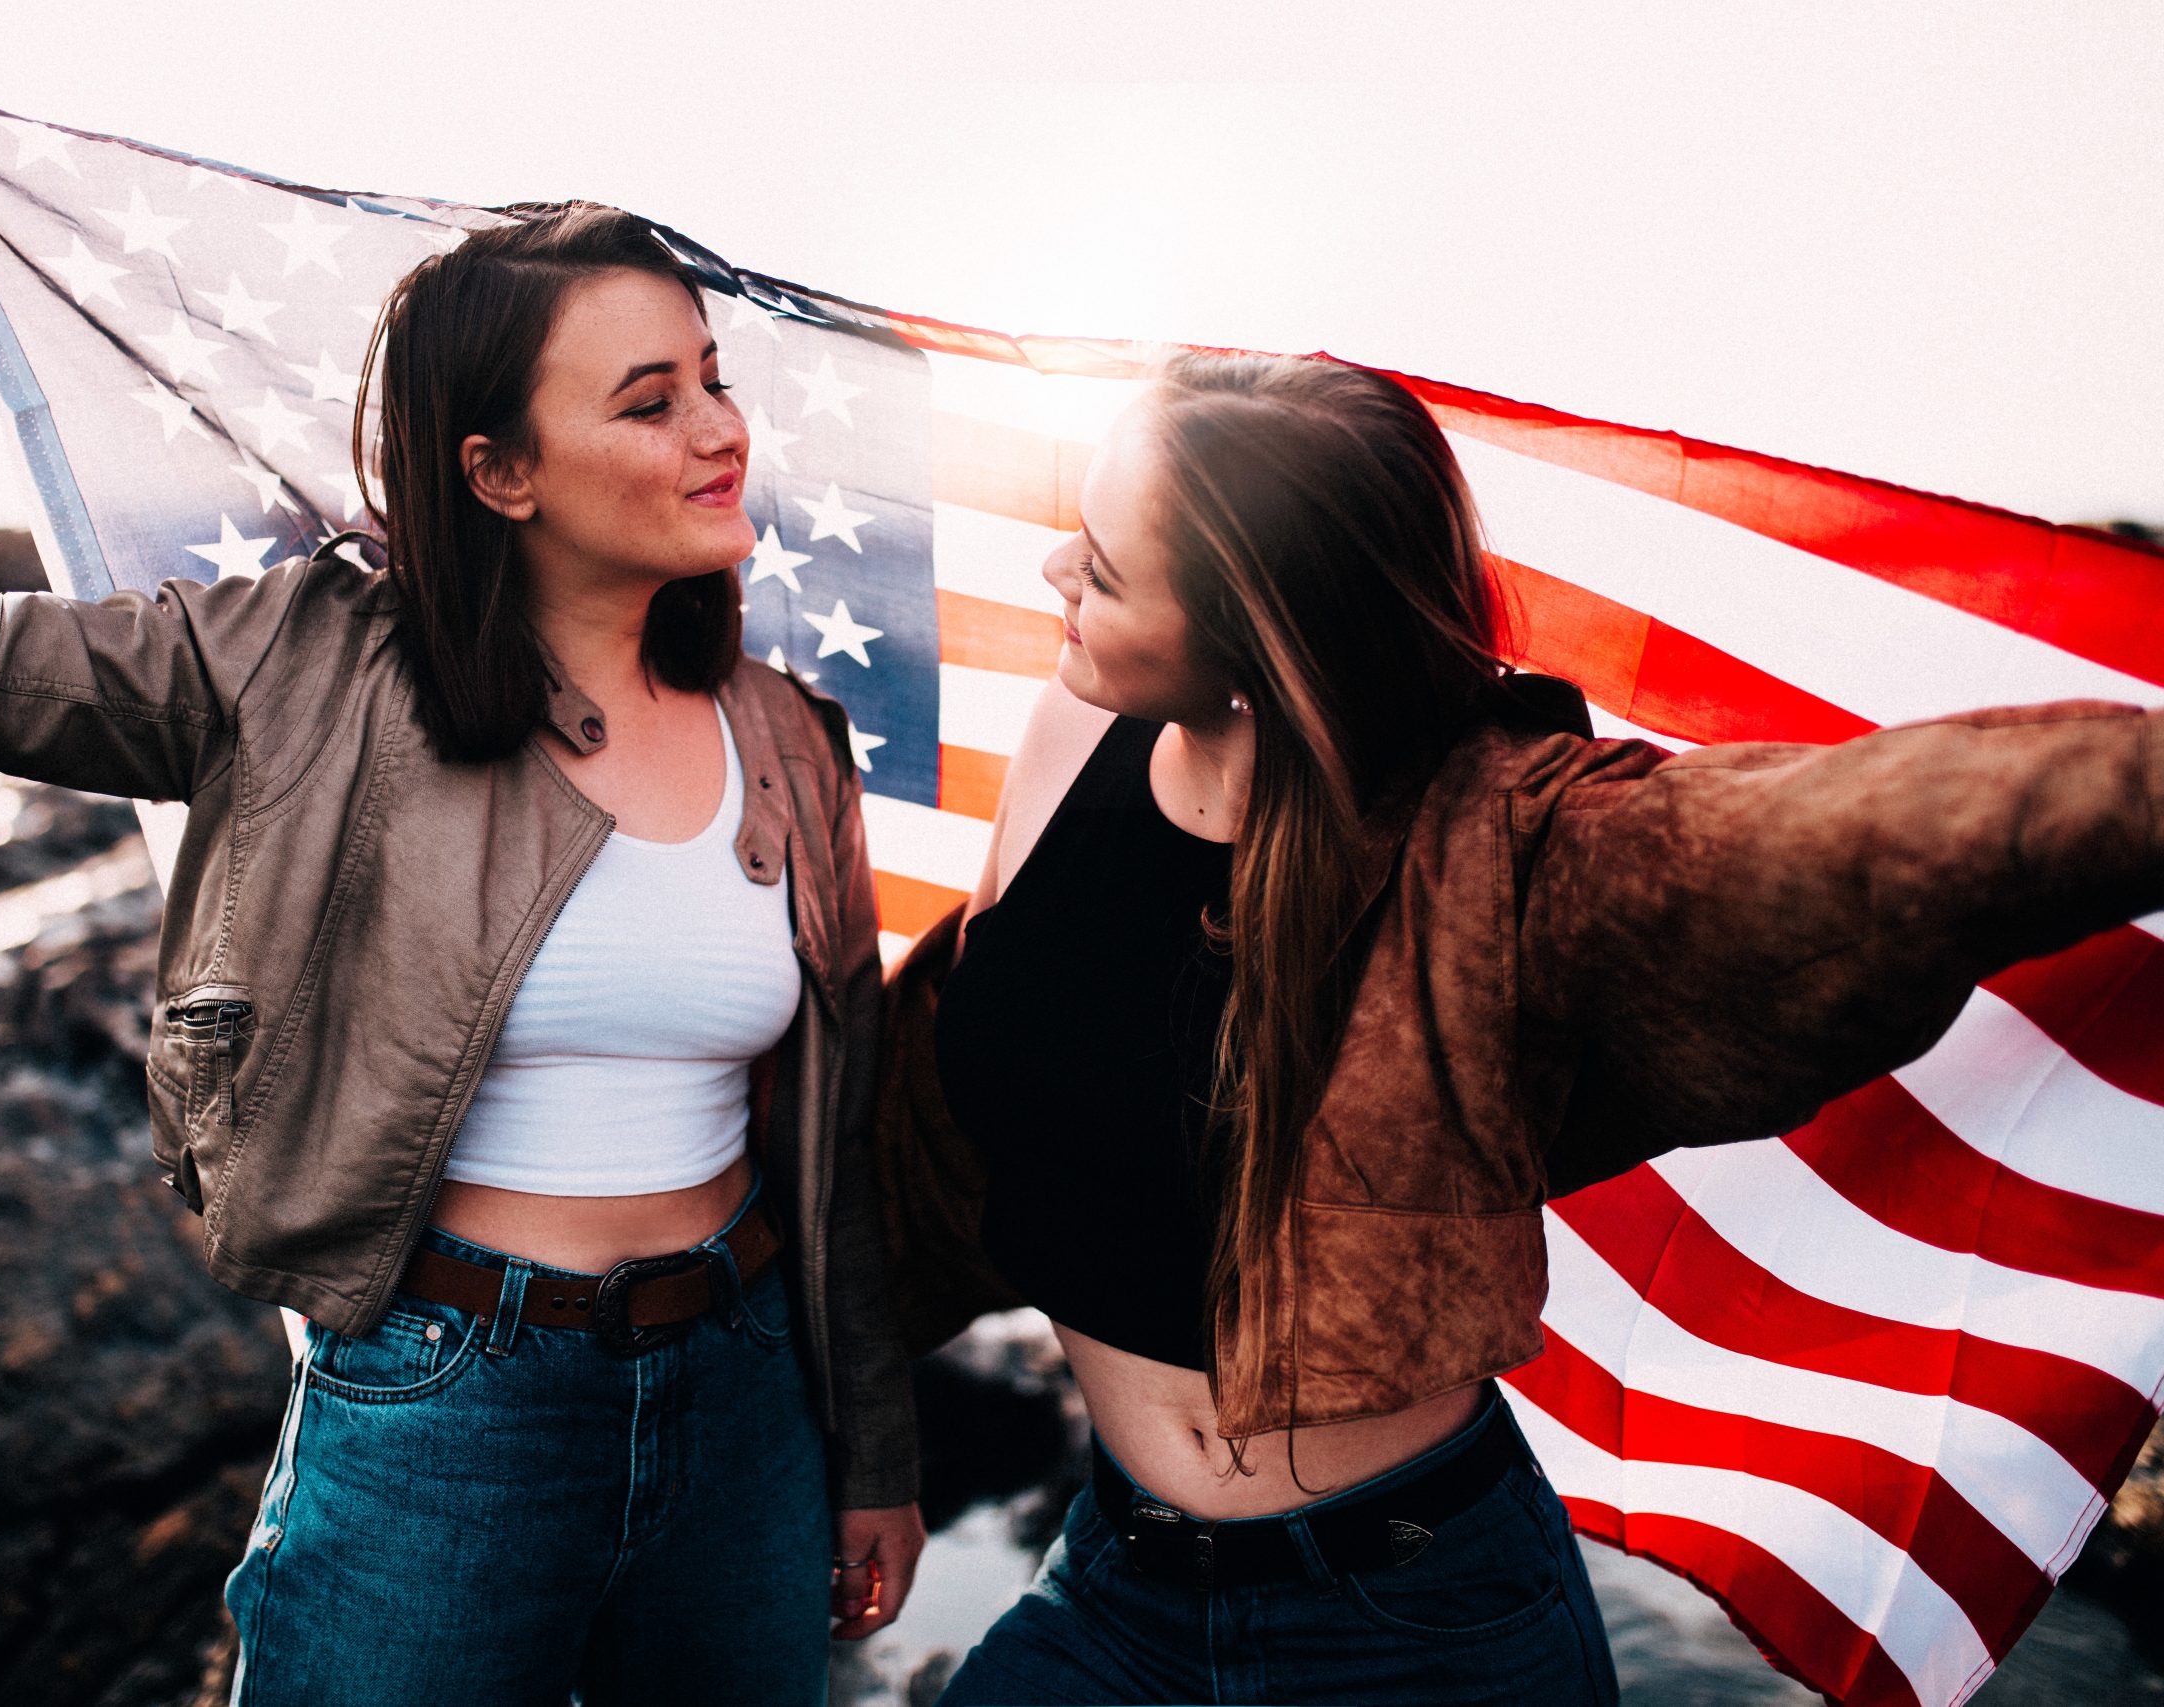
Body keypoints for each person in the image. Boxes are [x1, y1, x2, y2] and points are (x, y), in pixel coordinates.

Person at [0, 85, 922, 1706]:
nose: (721, 430)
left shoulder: (787, 736)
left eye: (715, 380)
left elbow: (829, 1149)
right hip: (448, 1415)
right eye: (651, 402)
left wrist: (872, 1451)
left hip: (746, 1399)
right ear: (498, 472)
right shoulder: (299, 661)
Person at [873, 351, 2164, 1705]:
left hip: (1413, 1624)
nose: (1053, 576)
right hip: (1114, 1591)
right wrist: (859, 1435)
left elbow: (1874, 835)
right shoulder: (1071, 732)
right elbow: (947, 1084)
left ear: (1261, 631)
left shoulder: (1504, 843)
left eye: (1109, 567)